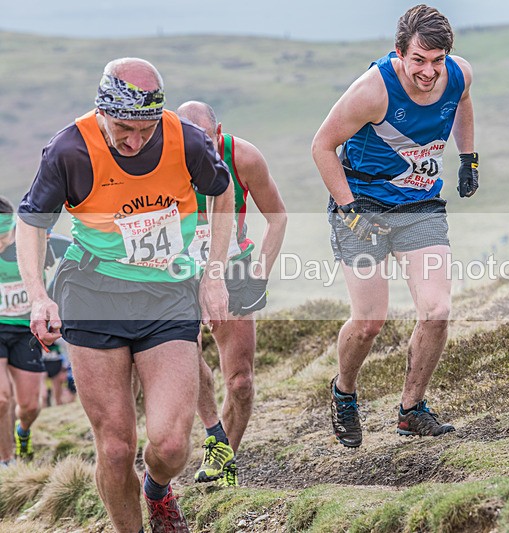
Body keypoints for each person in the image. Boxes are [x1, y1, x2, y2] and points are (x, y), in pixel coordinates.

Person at [16, 58, 234, 533]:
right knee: (115, 448)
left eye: (145, 129)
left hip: (167, 293)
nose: (135, 141)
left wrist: (213, 273)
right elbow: (31, 220)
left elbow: (223, 192)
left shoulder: (186, 141)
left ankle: (157, 489)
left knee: (172, 445)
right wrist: (38, 295)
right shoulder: (70, 150)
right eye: (123, 129)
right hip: (93, 292)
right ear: (102, 112)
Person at [311, 4, 479, 448]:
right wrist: (349, 209)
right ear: (399, 52)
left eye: (437, 60)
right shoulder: (372, 91)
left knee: (437, 311)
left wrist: (468, 157)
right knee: (370, 321)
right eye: (418, 60)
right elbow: (322, 147)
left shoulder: (458, 74)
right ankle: (343, 391)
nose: (428, 72)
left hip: (419, 205)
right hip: (362, 203)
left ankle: (411, 410)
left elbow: (462, 102)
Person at [176, 101, 287, 487]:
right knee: (188, 368)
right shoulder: (158, 161)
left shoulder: (243, 157)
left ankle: (226, 459)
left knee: (240, 382)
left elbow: (278, 217)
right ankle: (214, 437)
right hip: (178, 272)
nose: (197, 153)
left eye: (205, 140)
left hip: (234, 266)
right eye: (188, 143)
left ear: (218, 131)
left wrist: (261, 272)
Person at [0, 197, 65, 464]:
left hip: (26, 330)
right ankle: (6, 462)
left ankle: (22, 432)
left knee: (29, 406)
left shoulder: (33, 241)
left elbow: (71, 250)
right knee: (1, 400)